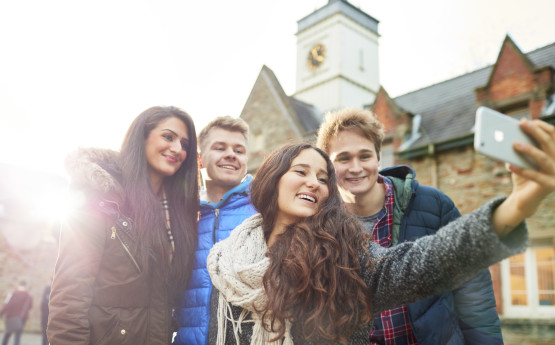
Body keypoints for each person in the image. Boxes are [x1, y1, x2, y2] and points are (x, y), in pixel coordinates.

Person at [206, 113, 555, 345]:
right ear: (272, 178)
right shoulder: (228, 258)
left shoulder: (343, 251)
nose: (314, 182)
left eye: (322, 177)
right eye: (301, 171)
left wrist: (514, 207)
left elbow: (423, 263)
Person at [316, 108, 503, 344]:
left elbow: (473, 290)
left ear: (378, 159)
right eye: (343, 158)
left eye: (364, 156)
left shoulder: (433, 205)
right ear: (328, 167)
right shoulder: (320, 226)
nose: (355, 167)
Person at [47, 106, 199, 345]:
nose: (178, 149)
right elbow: (70, 297)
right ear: (142, 138)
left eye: (185, 144)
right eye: (168, 137)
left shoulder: (178, 214)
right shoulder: (100, 196)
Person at [173, 116, 257, 345]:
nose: (231, 154)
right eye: (220, 148)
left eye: (238, 150)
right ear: (199, 159)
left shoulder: (264, 211)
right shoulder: (182, 214)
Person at [0, 281, 33, 345]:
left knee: (7, 335)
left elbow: (6, 305)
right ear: (25, 286)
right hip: (21, 319)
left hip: (11, 318)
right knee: (17, 337)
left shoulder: (12, 294)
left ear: (18, 285)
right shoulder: (29, 296)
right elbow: (30, 307)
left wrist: (1, 313)